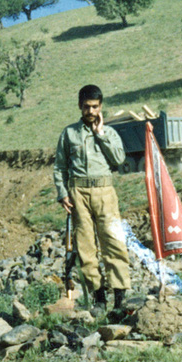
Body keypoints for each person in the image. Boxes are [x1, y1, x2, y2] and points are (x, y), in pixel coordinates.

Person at [53, 84, 131, 315]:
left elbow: (118, 159)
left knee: (114, 243)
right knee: (86, 247)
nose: (91, 111)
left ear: (101, 107)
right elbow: (60, 167)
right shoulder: (69, 134)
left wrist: (100, 135)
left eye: (95, 107)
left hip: (105, 192)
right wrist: (62, 193)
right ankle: (99, 299)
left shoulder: (110, 132)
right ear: (80, 106)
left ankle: (120, 299)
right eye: (86, 107)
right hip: (78, 193)